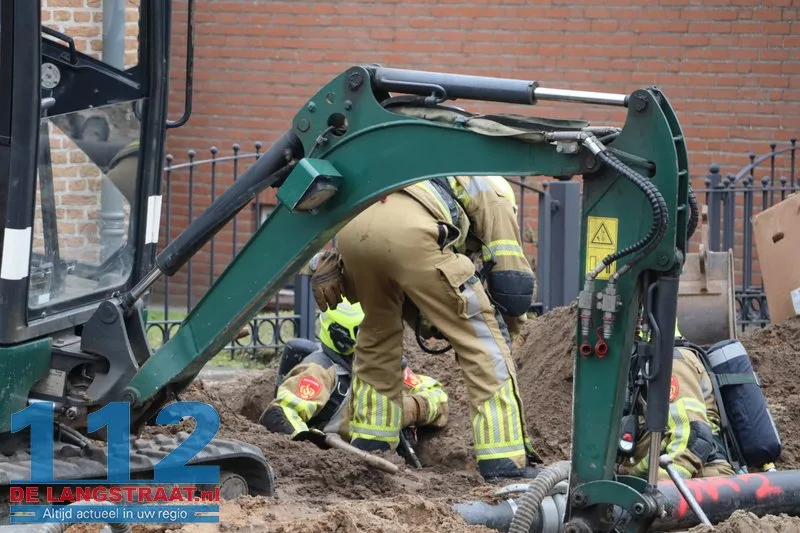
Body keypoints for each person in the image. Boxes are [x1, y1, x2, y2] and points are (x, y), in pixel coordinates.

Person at [304, 175, 539, 482]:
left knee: (376, 338)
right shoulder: (494, 191)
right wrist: (507, 329)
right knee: (485, 347)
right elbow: (512, 284)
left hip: (354, 234)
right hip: (413, 236)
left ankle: (372, 447)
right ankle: (505, 463)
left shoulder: (426, 168)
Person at [259, 298, 449, 448]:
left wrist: (411, 409)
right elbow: (281, 413)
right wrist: (319, 445)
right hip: (337, 466)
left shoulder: (384, 365)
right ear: (340, 335)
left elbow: (437, 395)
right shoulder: (319, 371)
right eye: (367, 332)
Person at [620, 321, 736, 480]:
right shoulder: (640, 362)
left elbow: (694, 437)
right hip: (660, 477)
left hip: (701, 481)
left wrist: (662, 491)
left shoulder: (672, 361)